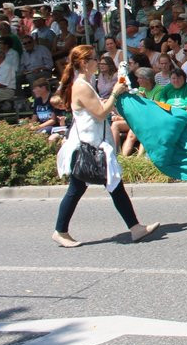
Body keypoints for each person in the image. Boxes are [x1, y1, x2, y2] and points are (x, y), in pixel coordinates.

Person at [52, 45, 159, 247]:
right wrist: (115, 93)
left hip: (91, 143)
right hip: (87, 146)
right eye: (94, 59)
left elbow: (95, 110)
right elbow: (101, 112)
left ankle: (135, 227)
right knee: (87, 188)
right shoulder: (82, 85)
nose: (98, 63)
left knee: (106, 186)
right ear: (84, 63)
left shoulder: (85, 83)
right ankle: (60, 230)